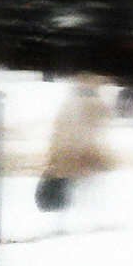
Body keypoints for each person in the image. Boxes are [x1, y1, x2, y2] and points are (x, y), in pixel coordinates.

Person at [36, 75, 113, 214]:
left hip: (67, 155)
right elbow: (96, 133)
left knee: (72, 187)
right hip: (80, 155)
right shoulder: (93, 104)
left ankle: (67, 219)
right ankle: (90, 218)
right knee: (86, 187)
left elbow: (59, 131)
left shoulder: (68, 103)